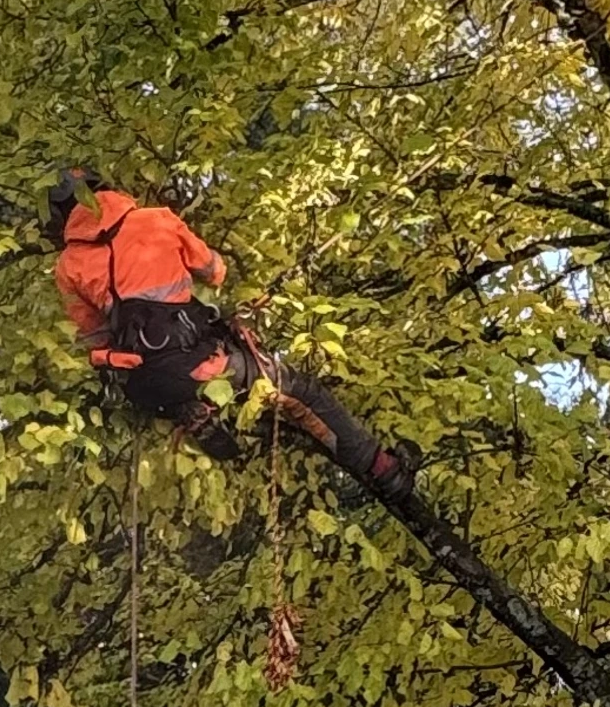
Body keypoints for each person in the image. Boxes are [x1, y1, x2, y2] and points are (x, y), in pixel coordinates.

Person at [45, 168, 411, 494]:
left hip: (139, 380)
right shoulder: (154, 220)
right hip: (196, 357)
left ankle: (191, 406)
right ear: (104, 189)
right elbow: (214, 270)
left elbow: (93, 336)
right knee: (302, 392)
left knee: (176, 376)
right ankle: (382, 468)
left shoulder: (68, 266)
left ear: (62, 216)